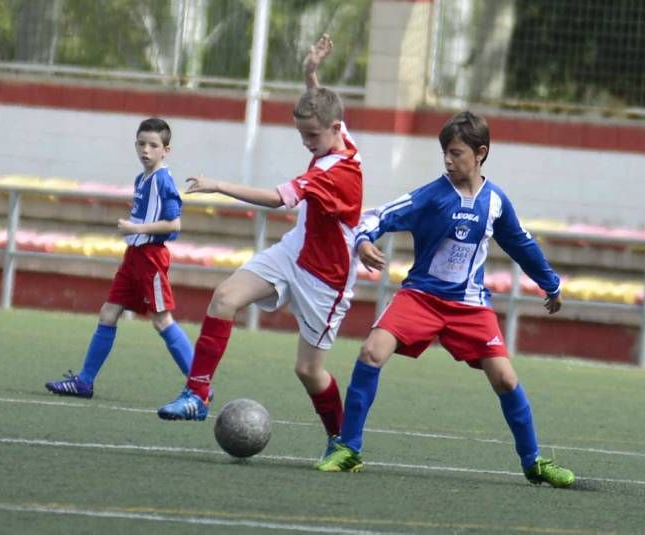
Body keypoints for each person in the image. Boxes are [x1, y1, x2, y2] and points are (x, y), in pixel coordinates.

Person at [315, 111, 575, 488]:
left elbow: (520, 242)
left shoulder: (496, 201)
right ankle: (348, 448)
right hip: (421, 297)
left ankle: (534, 462)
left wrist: (550, 284)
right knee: (371, 352)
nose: (448, 161)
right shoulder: (431, 195)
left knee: (504, 378)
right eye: (445, 154)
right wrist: (364, 241)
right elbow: (379, 216)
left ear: (480, 153)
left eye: (456, 153)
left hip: (470, 306)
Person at [156, 35, 362, 458]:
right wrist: (310, 73)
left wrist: (218, 185)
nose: (307, 143)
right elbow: (320, 106)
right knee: (225, 297)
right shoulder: (340, 136)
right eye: (302, 134)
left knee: (308, 370)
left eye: (312, 137)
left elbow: (275, 198)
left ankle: (343, 443)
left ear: (335, 130)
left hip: (326, 280)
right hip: (294, 251)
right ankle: (197, 394)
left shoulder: (338, 174)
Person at [46, 118, 194, 399]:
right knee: (108, 313)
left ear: (166, 150)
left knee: (162, 320)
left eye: (153, 145)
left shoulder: (163, 180)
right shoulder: (142, 179)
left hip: (151, 260)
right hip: (134, 258)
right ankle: (85, 381)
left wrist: (137, 228)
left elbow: (174, 225)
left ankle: (199, 384)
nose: (146, 150)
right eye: (141, 144)